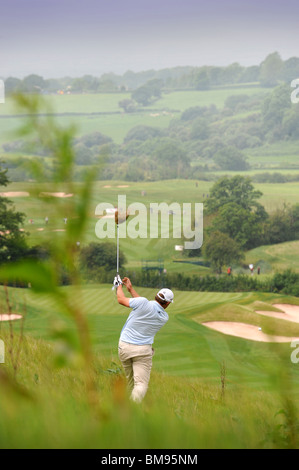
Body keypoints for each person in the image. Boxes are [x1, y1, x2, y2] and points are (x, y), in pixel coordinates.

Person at [113, 275, 173, 403]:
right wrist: (130, 289)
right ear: (167, 303)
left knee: (130, 382)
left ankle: (125, 408)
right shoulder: (164, 317)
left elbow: (120, 299)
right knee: (140, 384)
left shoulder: (143, 303)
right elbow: (144, 305)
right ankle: (133, 407)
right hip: (142, 351)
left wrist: (118, 285)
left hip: (124, 347)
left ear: (156, 295)